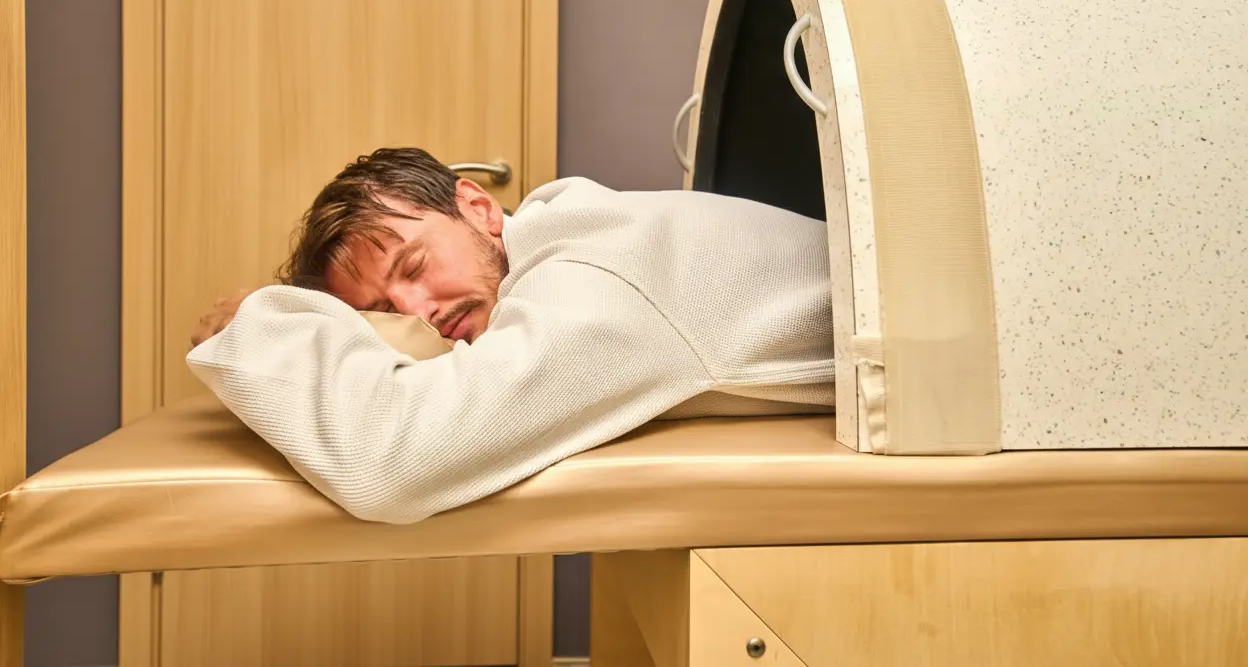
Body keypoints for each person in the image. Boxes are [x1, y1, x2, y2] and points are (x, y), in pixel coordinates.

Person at [187, 147, 836, 524]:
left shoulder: (601, 269)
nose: (417, 312)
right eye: (385, 307)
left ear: (477, 206)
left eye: (414, 265)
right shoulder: (576, 237)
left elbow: (392, 463)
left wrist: (259, 325)